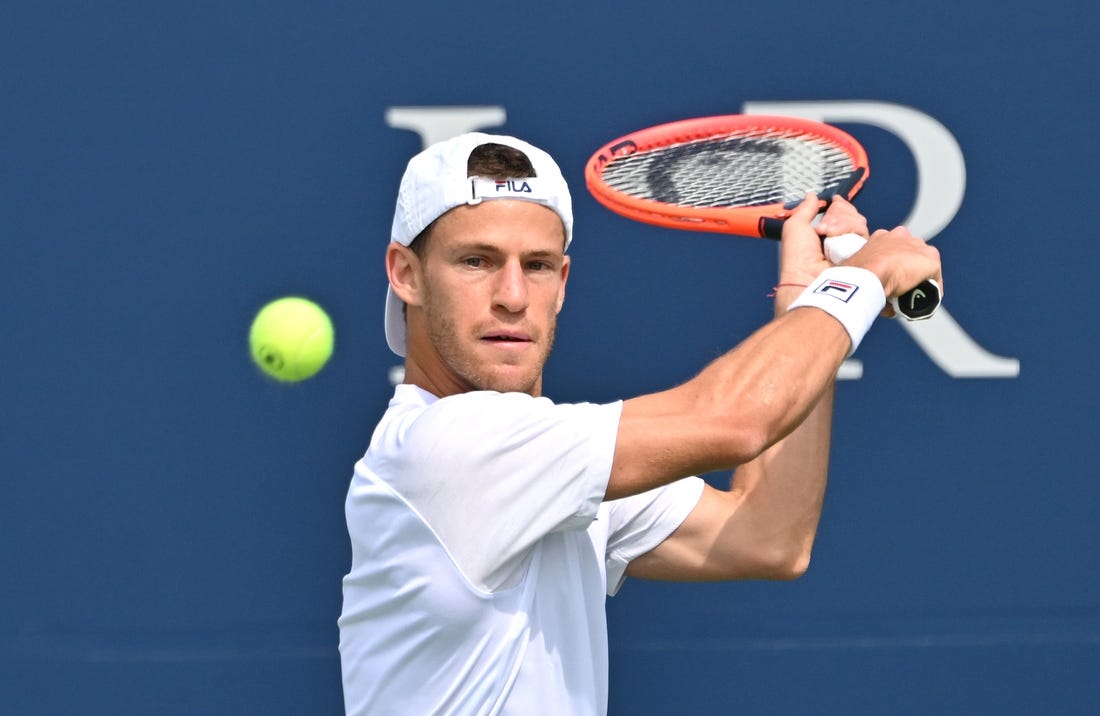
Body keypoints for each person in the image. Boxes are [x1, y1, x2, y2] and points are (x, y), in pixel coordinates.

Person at [338, 132, 942, 715]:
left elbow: (768, 535)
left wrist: (803, 296)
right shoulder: (450, 446)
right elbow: (733, 420)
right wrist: (862, 279)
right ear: (406, 274)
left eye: (539, 265)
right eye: (476, 261)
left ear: (564, 284)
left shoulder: (546, 466)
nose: (514, 295)